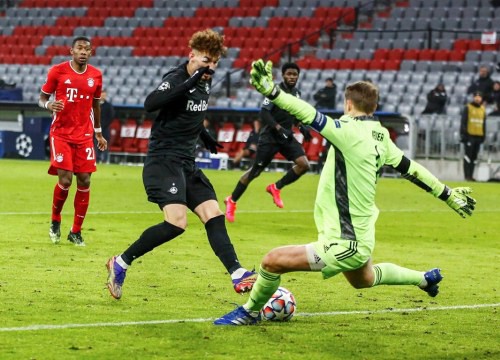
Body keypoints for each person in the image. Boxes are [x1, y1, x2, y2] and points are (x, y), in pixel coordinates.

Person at [213, 60, 476, 325]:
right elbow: (413, 170)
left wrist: (272, 92)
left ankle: (249, 312)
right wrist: (448, 194)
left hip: (344, 243)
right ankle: (424, 279)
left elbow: (306, 112)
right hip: (361, 238)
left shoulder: (346, 131)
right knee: (365, 279)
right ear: (373, 107)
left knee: (271, 261)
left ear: (348, 104)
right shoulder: (382, 137)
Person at [105, 29, 256, 300]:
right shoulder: (177, 77)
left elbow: (190, 115)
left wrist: (205, 136)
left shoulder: (205, 80)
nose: (209, 67)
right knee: (176, 223)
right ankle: (121, 262)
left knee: (213, 214)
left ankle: (237, 273)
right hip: (163, 162)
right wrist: (189, 81)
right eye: (204, 61)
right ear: (191, 56)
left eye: (214, 63)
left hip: (186, 162)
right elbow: (150, 103)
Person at [39, 36, 107, 247]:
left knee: (85, 180)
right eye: (80, 48)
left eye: (87, 49)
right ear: (71, 51)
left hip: (84, 135)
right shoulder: (57, 71)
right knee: (66, 179)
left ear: (91, 53)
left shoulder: (95, 75)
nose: (83, 52)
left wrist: (98, 132)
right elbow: (41, 98)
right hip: (60, 134)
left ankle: (75, 231)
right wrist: (48, 105)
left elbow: (96, 106)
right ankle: (55, 220)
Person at [224, 62, 312, 222]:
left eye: (295, 74)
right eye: (289, 74)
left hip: (286, 137)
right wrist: (279, 129)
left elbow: (294, 113)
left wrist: (301, 126)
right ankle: (232, 200)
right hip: (270, 137)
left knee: (304, 164)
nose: (292, 77)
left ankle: (276, 187)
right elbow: (264, 113)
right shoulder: (274, 91)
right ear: (283, 75)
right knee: (255, 172)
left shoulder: (297, 93)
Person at [460, 91, 486, 181]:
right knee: (468, 156)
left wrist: (484, 136)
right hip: (469, 136)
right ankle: (467, 176)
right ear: (473, 97)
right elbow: (463, 122)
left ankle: (471, 176)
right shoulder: (468, 107)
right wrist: (463, 135)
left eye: (479, 97)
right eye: (476, 96)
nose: (477, 98)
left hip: (478, 136)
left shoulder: (483, 109)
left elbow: (484, 124)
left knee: (474, 157)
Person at [96, 89, 114, 164]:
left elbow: (111, 117)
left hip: (105, 129)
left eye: (104, 94)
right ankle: (96, 159)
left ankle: (104, 160)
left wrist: (103, 126)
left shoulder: (109, 106)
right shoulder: (95, 104)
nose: (103, 96)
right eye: (101, 94)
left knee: (105, 145)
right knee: (95, 144)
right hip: (96, 129)